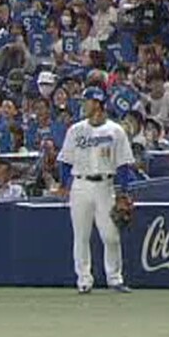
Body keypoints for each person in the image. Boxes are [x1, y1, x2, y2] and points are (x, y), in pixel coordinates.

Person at [58, 87, 138, 293]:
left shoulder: (115, 131)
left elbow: (123, 164)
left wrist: (124, 191)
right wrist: (64, 185)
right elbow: (65, 161)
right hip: (80, 184)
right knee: (81, 236)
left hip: (105, 185)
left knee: (111, 235)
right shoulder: (76, 130)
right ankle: (84, 280)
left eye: (86, 101)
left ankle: (115, 278)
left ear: (97, 103)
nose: (83, 105)